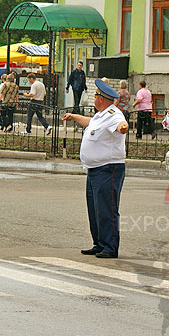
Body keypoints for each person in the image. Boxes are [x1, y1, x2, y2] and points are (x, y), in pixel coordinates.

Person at [62, 79, 128, 258]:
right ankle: (99, 243)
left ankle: (110, 247)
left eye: (96, 95)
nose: (94, 97)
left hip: (108, 169)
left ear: (102, 99)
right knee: (95, 208)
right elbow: (90, 123)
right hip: (95, 169)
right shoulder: (100, 115)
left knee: (107, 208)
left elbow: (122, 126)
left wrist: (123, 128)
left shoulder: (114, 114)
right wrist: (74, 117)